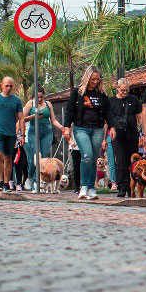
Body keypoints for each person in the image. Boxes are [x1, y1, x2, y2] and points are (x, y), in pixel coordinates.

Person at [62, 66, 109, 200]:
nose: (95, 82)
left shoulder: (101, 95)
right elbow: (70, 110)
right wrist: (66, 127)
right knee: (87, 155)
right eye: (92, 79)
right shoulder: (77, 92)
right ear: (87, 78)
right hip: (81, 128)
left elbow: (108, 113)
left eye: (97, 79)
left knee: (94, 158)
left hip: (97, 129)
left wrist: (112, 127)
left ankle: (91, 189)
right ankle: (83, 186)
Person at [23, 87, 64, 193]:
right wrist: (33, 116)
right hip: (33, 131)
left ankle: (40, 184)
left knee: (45, 159)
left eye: (41, 97)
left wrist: (62, 128)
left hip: (46, 131)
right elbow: (22, 118)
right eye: (37, 97)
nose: (40, 99)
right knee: (35, 159)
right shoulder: (30, 104)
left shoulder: (48, 104)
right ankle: (31, 179)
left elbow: (53, 120)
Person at [107, 78, 143, 198]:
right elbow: (107, 119)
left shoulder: (134, 99)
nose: (124, 93)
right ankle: (122, 187)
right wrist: (107, 133)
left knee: (132, 161)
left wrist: (142, 132)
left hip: (132, 135)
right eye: (122, 90)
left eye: (127, 90)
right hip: (117, 135)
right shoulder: (111, 101)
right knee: (120, 161)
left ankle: (132, 187)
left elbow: (139, 116)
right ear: (117, 89)